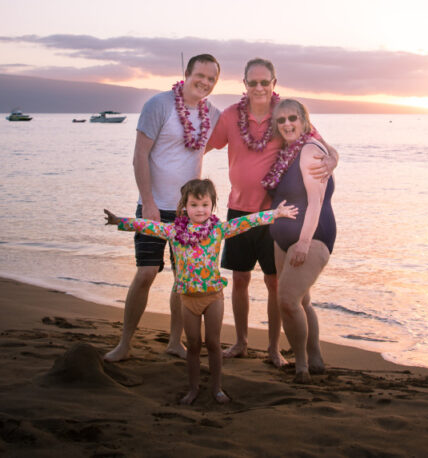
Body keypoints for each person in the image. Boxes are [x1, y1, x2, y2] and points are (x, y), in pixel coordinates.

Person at [104, 179, 297, 404]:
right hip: (187, 298)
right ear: (184, 206)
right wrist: (119, 221)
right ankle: (193, 388)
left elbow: (247, 222)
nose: (200, 210)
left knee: (213, 344)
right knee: (194, 345)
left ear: (212, 205)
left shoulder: (218, 230)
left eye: (205, 205)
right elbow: (147, 226)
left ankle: (216, 388)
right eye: (194, 205)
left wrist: (275, 213)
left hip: (213, 297)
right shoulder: (174, 231)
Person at [206, 58, 338, 366]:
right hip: (239, 210)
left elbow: (320, 144)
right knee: (239, 279)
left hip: (275, 214)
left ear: (273, 83)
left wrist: (334, 158)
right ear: (244, 84)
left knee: (274, 283)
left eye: (264, 82)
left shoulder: (285, 114)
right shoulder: (230, 116)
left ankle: (273, 349)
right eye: (253, 82)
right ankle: (241, 342)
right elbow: (204, 146)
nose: (259, 87)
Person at [104, 54, 221, 363]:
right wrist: (148, 202)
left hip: (189, 213)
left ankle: (174, 342)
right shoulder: (159, 105)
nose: (205, 82)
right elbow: (139, 155)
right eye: (200, 75)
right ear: (187, 73)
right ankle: (124, 343)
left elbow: (222, 140)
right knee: (146, 273)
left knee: (183, 280)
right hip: (154, 206)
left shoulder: (213, 114)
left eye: (211, 79)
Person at [265, 99, 336, 383]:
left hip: (312, 236)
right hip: (282, 238)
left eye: (292, 118)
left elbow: (316, 202)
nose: (287, 124)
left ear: (305, 121)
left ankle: (302, 365)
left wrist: (304, 242)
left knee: (287, 300)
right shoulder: (286, 152)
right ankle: (315, 355)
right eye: (281, 120)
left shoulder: (309, 150)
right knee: (302, 300)